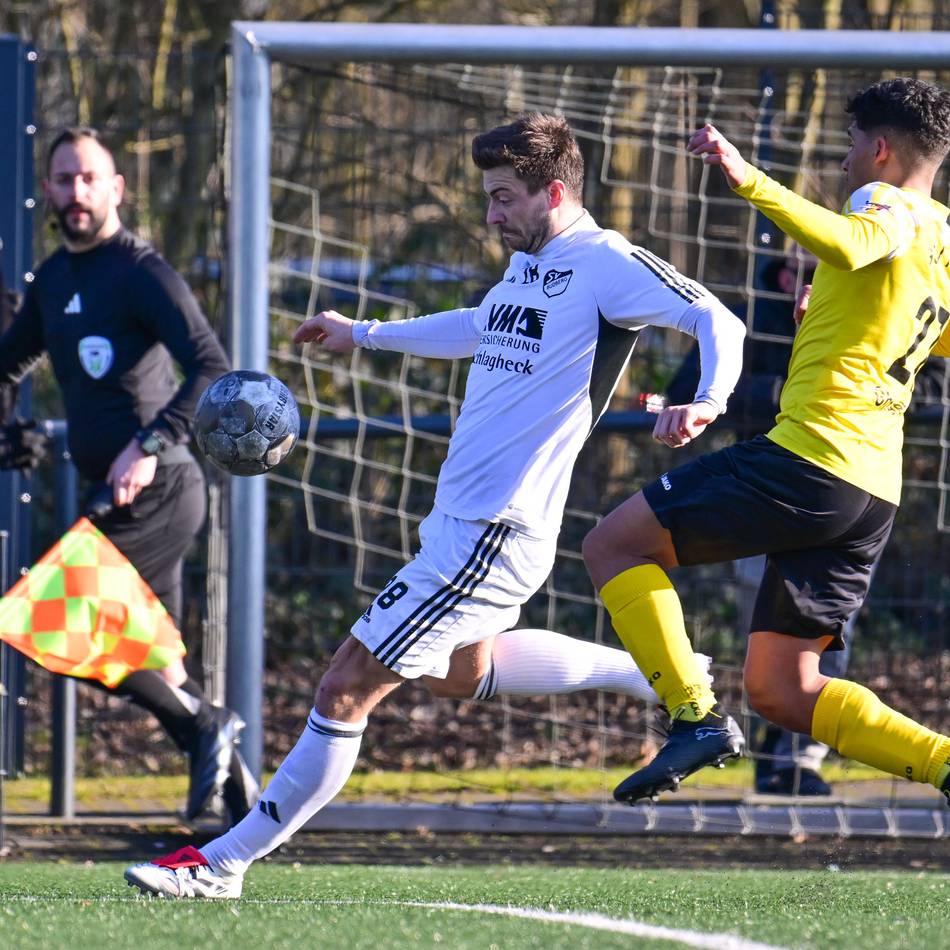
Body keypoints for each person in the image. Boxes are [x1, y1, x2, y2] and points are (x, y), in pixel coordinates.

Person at [124, 111, 746, 898]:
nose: (490, 214)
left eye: (502, 198)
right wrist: (366, 335)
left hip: (496, 530)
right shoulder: (532, 264)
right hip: (462, 523)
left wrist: (708, 400)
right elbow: (480, 327)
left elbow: (716, 315)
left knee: (344, 684)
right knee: (462, 674)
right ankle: (658, 674)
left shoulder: (604, 262)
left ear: (554, 191)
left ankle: (223, 862)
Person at [582, 77, 950, 806]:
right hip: (872, 493)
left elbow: (853, 239)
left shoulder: (881, 204)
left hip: (811, 459)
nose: (844, 163)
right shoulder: (941, 232)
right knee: (784, 689)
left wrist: (747, 176)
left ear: (879, 149)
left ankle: (694, 718)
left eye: (849, 147)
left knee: (612, 546)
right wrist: (840, 314)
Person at [0, 127, 257, 825]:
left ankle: (210, 728)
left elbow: (212, 364)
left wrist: (148, 443)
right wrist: (9, 430)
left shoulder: (141, 271)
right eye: (63, 179)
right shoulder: (53, 279)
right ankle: (247, 816)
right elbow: (7, 363)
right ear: (48, 191)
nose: (76, 192)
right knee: (164, 671)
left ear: (115, 188)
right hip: (117, 494)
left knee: (44, 621)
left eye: (89, 178)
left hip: (159, 489)